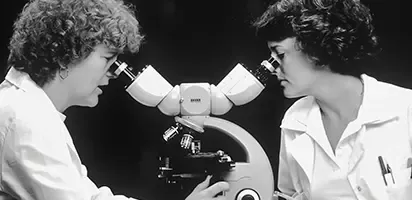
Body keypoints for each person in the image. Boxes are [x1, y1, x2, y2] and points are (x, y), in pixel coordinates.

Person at [0, 0, 229, 199]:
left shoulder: (28, 110)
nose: (112, 73)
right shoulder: (25, 119)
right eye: (108, 59)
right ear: (65, 54)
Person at [252, 0, 412, 199]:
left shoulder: (405, 109)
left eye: (280, 54)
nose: (272, 67)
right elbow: (289, 194)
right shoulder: (295, 122)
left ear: (316, 48)